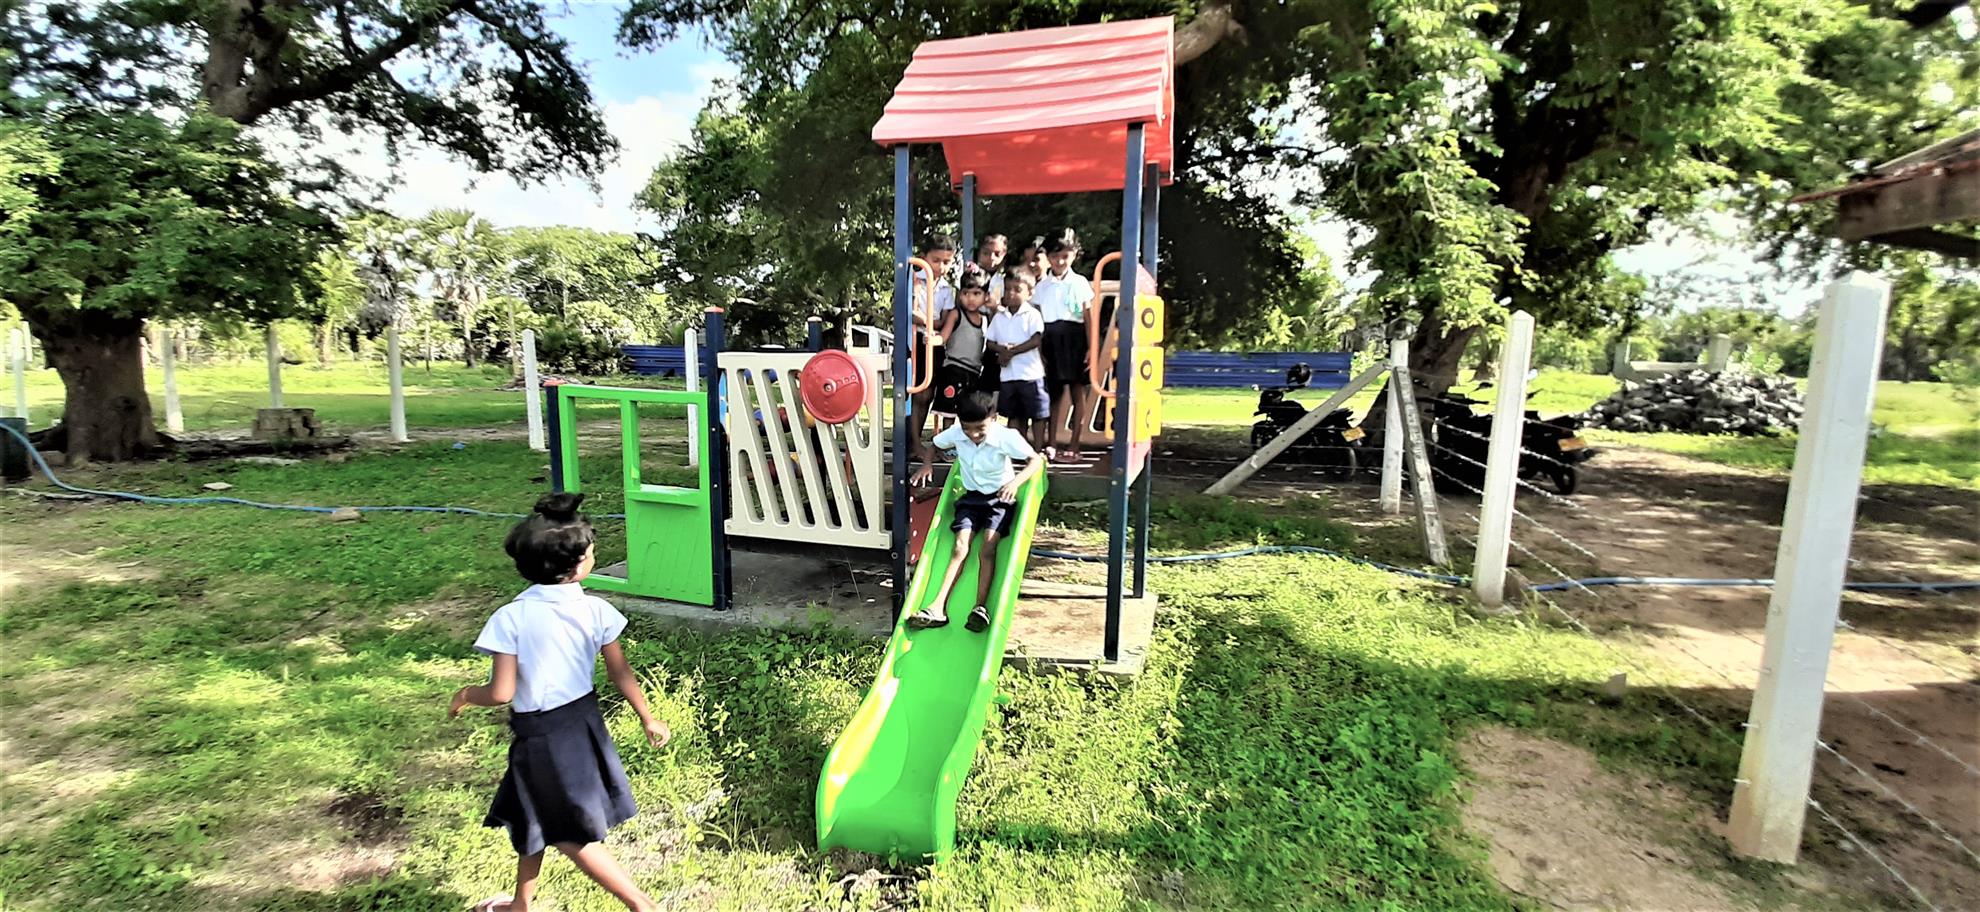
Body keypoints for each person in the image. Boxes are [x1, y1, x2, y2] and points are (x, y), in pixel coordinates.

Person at [450, 493, 671, 912]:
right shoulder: (596, 610)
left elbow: (501, 693)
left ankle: (642, 905)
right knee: (533, 816)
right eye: (592, 551)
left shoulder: (511, 619)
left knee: (566, 833)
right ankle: (520, 905)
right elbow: (620, 672)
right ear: (578, 565)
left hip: (542, 737)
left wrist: (465, 695)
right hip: (584, 726)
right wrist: (648, 716)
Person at [907, 397, 1045, 632]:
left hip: (1000, 500)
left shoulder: (1006, 437)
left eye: (980, 428)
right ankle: (937, 607)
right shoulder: (957, 432)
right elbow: (935, 446)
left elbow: (1035, 461)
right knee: (960, 548)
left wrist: (1015, 483)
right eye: (966, 428)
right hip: (972, 499)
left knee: (988, 547)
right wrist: (927, 464)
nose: (973, 435)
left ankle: (980, 607)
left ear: (992, 418)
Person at [1033, 228, 1096, 462]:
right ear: (1047, 257)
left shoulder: (1079, 283)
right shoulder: (1041, 286)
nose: (1060, 261)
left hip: (1075, 338)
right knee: (1053, 394)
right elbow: (1037, 320)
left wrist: (1091, 347)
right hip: (1050, 338)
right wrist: (1039, 350)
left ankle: (1074, 443)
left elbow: (1089, 317)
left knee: (1078, 392)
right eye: (1055, 256)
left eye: (1065, 255)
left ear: (1074, 255)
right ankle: (1051, 443)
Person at [984, 268, 1048, 449]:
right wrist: (1001, 350)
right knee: (1014, 415)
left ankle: (1037, 450)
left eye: (1017, 290)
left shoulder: (1033, 314)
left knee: (1037, 413)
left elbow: (1036, 339)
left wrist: (1012, 351)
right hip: (1008, 376)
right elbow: (990, 342)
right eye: (1007, 289)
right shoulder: (999, 317)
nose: (1011, 294)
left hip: (1030, 374)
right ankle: (1018, 450)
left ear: (1030, 293)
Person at [910, 235, 959, 460]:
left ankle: (927, 444)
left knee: (930, 395)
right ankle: (914, 444)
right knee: (920, 394)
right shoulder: (914, 279)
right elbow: (913, 313)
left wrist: (934, 323)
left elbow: (947, 317)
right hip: (916, 342)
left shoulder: (947, 288)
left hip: (935, 344)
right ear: (925, 258)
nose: (941, 266)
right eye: (936, 260)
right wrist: (934, 322)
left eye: (947, 261)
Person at [932, 264, 993, 423]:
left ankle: (962, 446)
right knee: (949, 411)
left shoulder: (986, 319)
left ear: (986, 295)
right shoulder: (956, 314)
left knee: (968, 413)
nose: (971, 298)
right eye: (966, 293)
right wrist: (934, 340)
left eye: (976, 293)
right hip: (954, 369)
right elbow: (944, 336)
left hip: (973, 373)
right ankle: (946, 446)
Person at [976, 233, 1009, 302]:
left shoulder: (1007, 280)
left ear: (1004, 257)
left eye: (997, 254)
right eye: (986, 253)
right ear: (979, 254)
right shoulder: (969, 276)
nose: (991, 258)